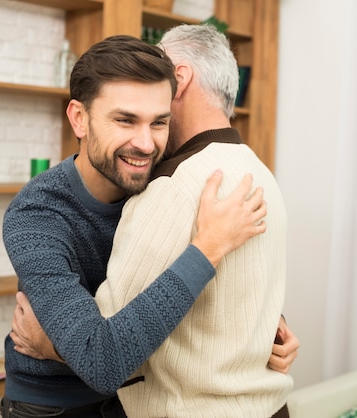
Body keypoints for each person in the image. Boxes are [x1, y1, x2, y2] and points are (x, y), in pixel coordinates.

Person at [1, 35, 270, 418]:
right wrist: (208, 248)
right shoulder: (36, 215)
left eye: (159, 122)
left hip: (141, 401)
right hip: (53, 407)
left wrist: (274, 327)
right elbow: (102, 364)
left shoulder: (157, 188)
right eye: (125, 120)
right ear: (79, 118)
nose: (145, 144)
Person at [93, 24, 293, 417]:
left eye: (155, 72)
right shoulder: (261, 174)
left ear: (178, 79)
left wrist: (42, 342)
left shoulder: (176, 184)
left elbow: (108, 344)